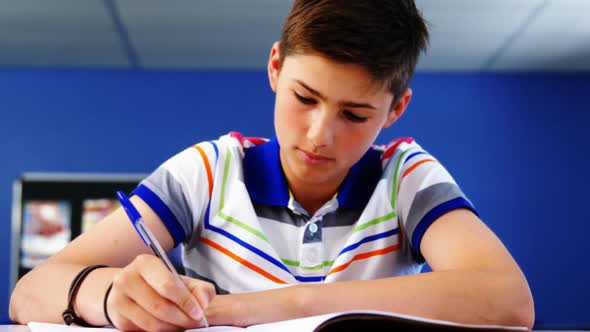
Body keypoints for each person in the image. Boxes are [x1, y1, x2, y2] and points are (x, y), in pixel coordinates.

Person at [9, 0, 535, 330]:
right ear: (276, 67)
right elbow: (30, 292)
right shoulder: (208, 171)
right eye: (305, 97)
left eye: (355, 114)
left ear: (396, 109)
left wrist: (275, 307)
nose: (318, 135)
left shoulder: (405, 178)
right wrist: (112, 297)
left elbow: (507, 299)